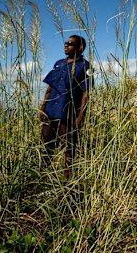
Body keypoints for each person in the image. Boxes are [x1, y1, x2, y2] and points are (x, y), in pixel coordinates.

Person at [39, 35, 92, 177]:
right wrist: (42, 108)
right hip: (51, 113)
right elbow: (50, 88)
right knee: (46, 146)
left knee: (69, 149)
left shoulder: (85, 66)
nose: (66, 45)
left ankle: (67, 180)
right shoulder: (58, 64)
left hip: (67, 114)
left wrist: (80, 118)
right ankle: (43, 177)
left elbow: (86, 95)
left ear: (79, 47)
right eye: (66, 43)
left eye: (71, 43)